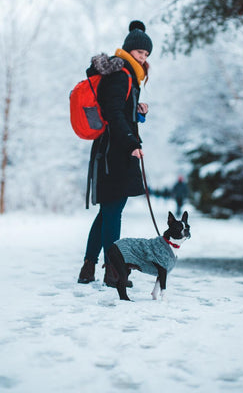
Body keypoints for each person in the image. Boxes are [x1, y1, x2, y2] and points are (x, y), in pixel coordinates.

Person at [78, 20, 153, 287]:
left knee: (109, 210)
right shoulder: (121, 75)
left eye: (146, 55)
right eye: (140, 53)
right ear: (128, 50)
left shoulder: (130, 77)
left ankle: (88, 268)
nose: (143, 58)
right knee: (113, 210)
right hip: (113, 151)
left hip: (116, 148)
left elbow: (122, 112)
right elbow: (113, 114)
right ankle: (113, 271)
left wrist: (138, 111)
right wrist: (132, 142)